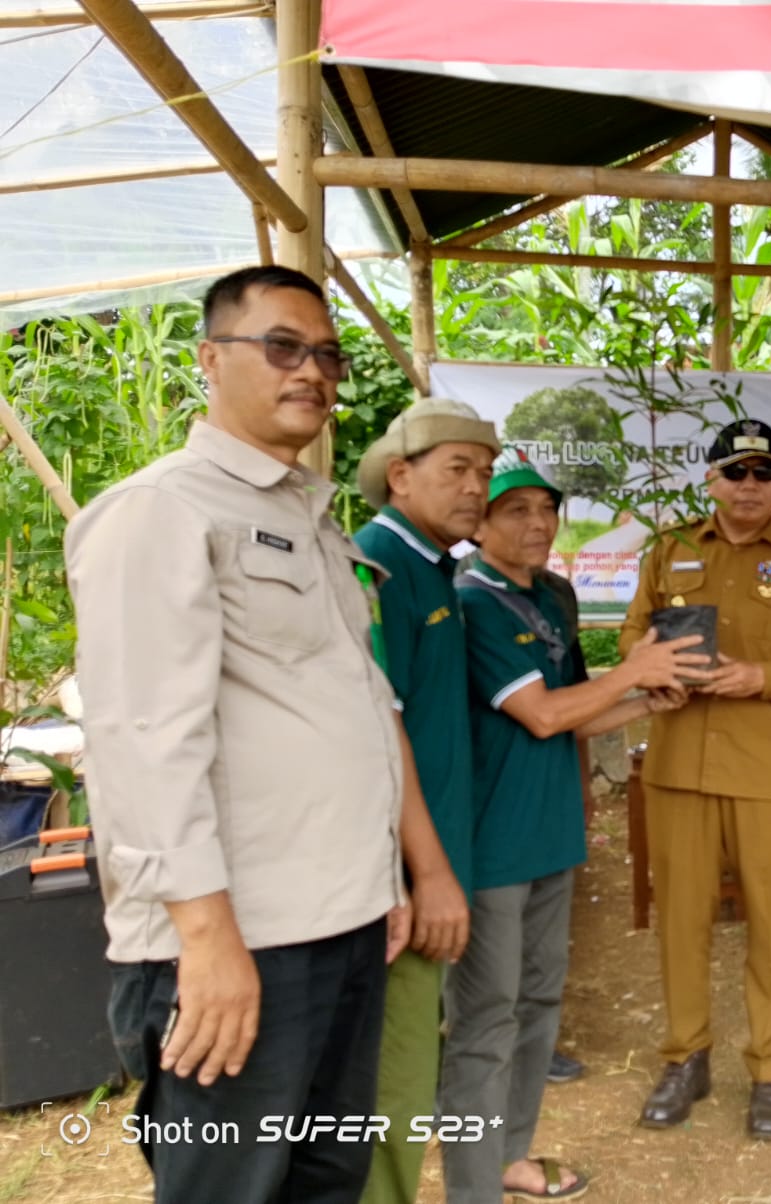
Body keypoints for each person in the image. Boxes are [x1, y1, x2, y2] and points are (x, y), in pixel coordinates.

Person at [66, 265, 410, 1204]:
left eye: (326, 354)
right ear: (211, 360)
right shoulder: (163, 510)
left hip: (336, 925)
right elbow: (143, 742)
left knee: (321, 1180)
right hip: (237, 941)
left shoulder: (306, 516)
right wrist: (206, 941)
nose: (312, 371)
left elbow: (343, 713)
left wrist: (381, 885)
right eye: (283, 347)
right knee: (232, 1188)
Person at [440, 448, 706, 1201]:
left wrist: (645, 703)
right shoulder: (472, 602)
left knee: (538, 1006)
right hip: (491, 843)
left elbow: (576, 711)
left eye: (545, 509)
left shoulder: (553, 593)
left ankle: (510, 1155)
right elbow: (542, 713)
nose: (537, 523)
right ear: (480, 523)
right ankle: (471, 1184)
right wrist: (635, 672)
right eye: (515, 510)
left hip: (552, 832)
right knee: (484, 1020)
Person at [619, 419, 771, 1141]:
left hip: (765, 770)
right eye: (737, 472)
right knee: (682, 922)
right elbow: (630, 635)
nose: (750, 486)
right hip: (679, 766)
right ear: (711, 479)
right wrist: (652, 667)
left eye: (765, 473)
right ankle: (686, 1058)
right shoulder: (671, 550)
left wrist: (760, 676)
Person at [351, 399, 498, 1204]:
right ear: (399, 475)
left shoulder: (437, 568)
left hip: (430, 861)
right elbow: (381, 733)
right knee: (396, 1084)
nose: (476, 488)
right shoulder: (377, 567)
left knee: (408, 1074)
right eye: (456, 470)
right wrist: (421, 876)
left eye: (482, 472)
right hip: (403, 879)